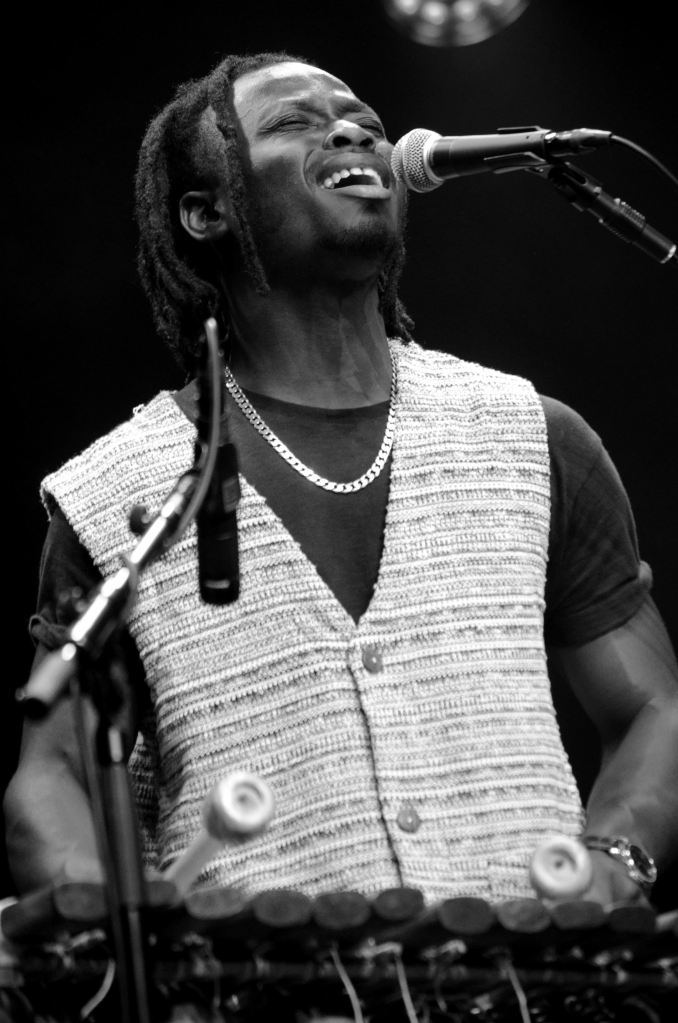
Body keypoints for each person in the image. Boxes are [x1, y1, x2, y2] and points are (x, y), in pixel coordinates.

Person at [3, 49, 678, 1019]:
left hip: (535, 997)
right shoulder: (116, 493)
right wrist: (128, 936)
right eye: (295, 123)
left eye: (363, 117)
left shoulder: (534, 436)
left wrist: (613, 861)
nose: (353, 129)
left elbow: (655, 707)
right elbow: (53, 776)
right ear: (206, 212)